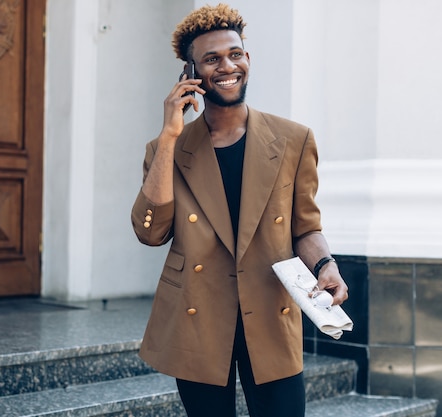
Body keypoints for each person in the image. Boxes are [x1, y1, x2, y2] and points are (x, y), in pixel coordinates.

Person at [130, 4, 348, 417]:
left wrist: (326, 265)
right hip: (199, 315)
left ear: (247, 59)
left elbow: (305, 227)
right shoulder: (168, 150)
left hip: (269, 309)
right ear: (190, 73)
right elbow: (150, 232)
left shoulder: (293, 139)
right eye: (211, 58)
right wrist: (169, 135)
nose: (227, 65)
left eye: (235, 53)